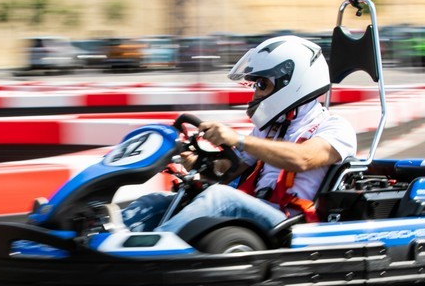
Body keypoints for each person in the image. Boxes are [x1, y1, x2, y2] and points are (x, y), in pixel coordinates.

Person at [120, 35, 357, 235]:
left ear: (292, 83)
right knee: (159, 201)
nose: (255, 94)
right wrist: (195, 160)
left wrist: (239, 139)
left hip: (291, 222)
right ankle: (106, 239)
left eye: (262, 85)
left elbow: (304, 158)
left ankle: (155, 249)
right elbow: (230, 170)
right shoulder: (270, 130)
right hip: (255, 207)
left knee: (220, 198)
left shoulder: (334, 127)